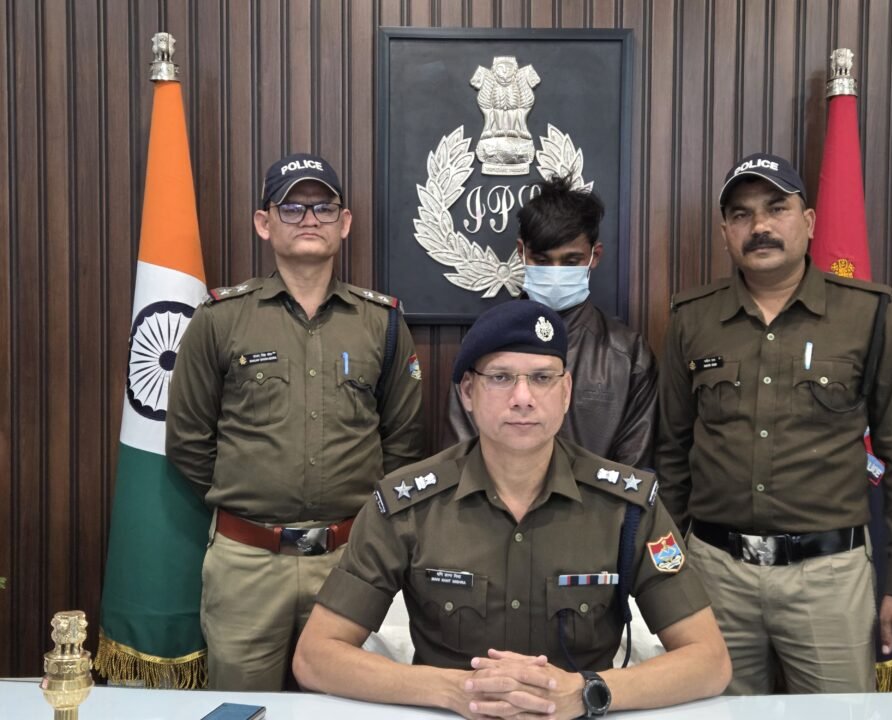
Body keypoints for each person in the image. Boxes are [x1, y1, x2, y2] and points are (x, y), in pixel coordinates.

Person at [293, 300, 730, 718]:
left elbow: (709, 660)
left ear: (566, 391)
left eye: (542, 378)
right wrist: (454, 690)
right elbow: (315, 657)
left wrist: (586, 691)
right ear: (468, 391)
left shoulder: (625, 507)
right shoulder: (407, 505)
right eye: (501, 377)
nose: (523, 397)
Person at [656, 152, 892, 694]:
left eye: (776, 208)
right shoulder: (692, 318)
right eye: (741, 215)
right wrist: (670, 575)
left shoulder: (868, 314)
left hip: (827, 577)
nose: (759, 226)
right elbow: (672, 452)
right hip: (715, 575)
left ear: (808, 222)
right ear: (725, 232)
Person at [165, 152, 425, 690]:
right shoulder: (220, 319)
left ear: (344, 223)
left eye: (323, 207)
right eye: (291, 207)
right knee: (241, 704)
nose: (309, 218)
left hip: (352, 561)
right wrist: (252, 495)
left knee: (351, 705)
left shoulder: (382, 322)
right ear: (264, 223)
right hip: (247, 563)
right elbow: (188, 441)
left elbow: (403, 440)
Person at [446, 176, 659, 468]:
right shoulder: (483, 344)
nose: (556, 272)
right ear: (521, 252)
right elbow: (461, 456)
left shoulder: (628, 353)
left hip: (596, 499)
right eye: (543, 261)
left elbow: (633, 470)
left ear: (594, 256)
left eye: (571, 262)